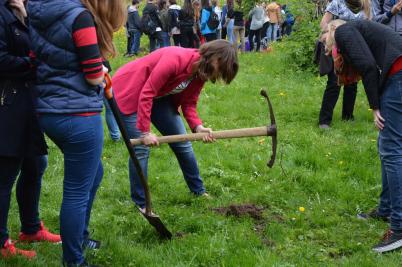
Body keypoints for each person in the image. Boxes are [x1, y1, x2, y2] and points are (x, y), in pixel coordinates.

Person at [28, 0, 125, 265]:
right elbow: (93, 74)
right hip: (78, 114)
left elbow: (36, 58)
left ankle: (80, 236)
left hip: (49, 111)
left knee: (95, 172)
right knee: (76, 191)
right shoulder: (80, 17)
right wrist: (103, 71)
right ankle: (74, 259)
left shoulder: (38, 12)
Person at [111, 40, 239, 212]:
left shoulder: (201, 72)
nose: (218, 75)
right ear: (214, 56)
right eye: (221, 68)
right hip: (129, 90)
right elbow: (147, 92)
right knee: (141, 149)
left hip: (157, 96)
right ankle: (141, 203)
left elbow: (189, 103)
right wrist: (144, 131)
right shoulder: (175, 58)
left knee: (183, 144)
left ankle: (198, 191)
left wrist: (198, 127)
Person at [325, 18, 402, 253]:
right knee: (387, 145)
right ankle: (386, 208)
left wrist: (374, 106)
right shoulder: (360, 30)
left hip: (398, 76)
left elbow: (368, 66)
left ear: (332, 30)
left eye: (325, 40)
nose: (327, 46)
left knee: (391, 149)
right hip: (396, 75)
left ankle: (399, 227)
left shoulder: (343, 31)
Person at [0, 0, 61, 259]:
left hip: (30, 102)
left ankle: (31, 228)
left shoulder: (24, 11)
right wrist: (34, 64)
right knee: (4, 175)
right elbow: (1, 60)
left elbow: (41, 44)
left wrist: (26, 17)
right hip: (8, 103)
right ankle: (1, 242)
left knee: (36, 164)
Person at [318, 0, 371, 129]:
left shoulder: (366, 4)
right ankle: (324, 121)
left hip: (355, 47)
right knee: (334, 83)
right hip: (337, 46)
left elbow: (369, 25)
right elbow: (323, 24)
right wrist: (335, 28)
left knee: (352, 83)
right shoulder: (337, 3)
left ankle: (348, 116)